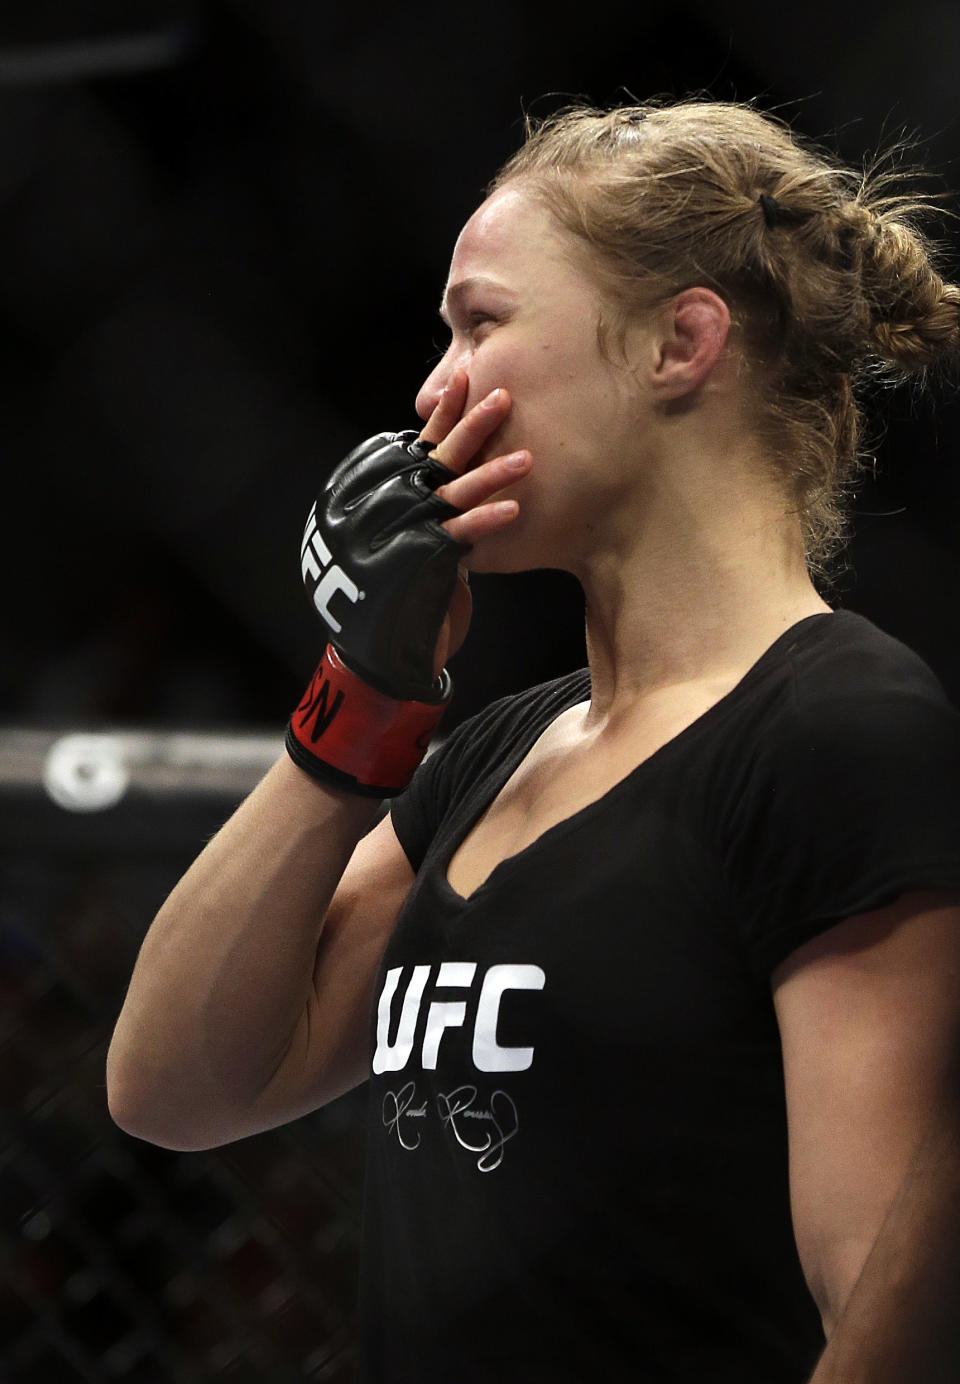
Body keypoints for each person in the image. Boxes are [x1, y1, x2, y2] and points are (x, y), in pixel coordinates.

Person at [107, 99, 960, 1382]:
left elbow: (884, 1314)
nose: (432, 387)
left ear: (680, 342)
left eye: (481, 321)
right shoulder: (498, 751)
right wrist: (363, 696)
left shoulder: (837, 731)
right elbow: (175, 1086)